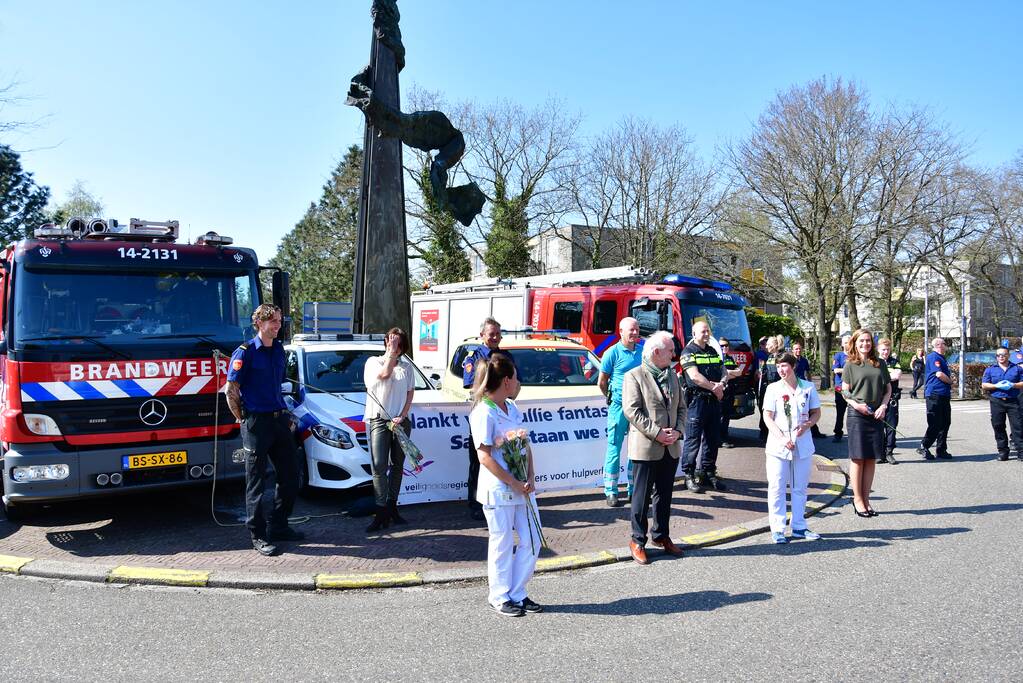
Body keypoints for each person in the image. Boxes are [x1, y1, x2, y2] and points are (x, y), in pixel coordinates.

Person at [225, 303, 303, 557]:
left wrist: (287, 415)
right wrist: (242, 419)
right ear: (259, 323)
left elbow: (278, 386)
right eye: (273, 322)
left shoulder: (279, 349)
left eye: (279, 321)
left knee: (291, 476)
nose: (277, 326)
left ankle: (279, 525)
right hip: (256, 422)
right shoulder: (244, 353)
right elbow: (231, 391)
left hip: (279, 420)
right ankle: (258, 535)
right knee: (256, 481)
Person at [469, 353, 542, 617]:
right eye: (515, 377)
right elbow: (484, 456)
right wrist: (512, 482)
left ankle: (518, 592)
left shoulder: (511, 408)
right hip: (499, 489)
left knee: (533, 538)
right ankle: (499, 596)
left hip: (522, 485)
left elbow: (524, 443)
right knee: (501, 542)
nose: (517, 382)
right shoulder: (483, 412)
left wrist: (530, 476)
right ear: (507, 380)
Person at [621, 331, 686, 565]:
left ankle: (661, 536)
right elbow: (632, 411)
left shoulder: (673, 376)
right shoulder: (634, 376)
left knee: (665, 495)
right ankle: (637, 540)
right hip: (647, 447)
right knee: (641, 496)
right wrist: (657, 433)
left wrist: (677, 431)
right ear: (656, 352)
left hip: (671, 447)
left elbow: (682, 408)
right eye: (670, 351)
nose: (674, 354)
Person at [762, 352, 823, 543]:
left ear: (793, 366)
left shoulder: (808, 387)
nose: (781, 370)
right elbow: (768, 417)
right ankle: (778, 528)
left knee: (800, 488)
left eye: (784, 365)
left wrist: (808, 425)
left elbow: (816, 413)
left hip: (802, 444)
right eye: (778, 366)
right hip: (778, 446)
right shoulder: (772, 389)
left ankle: (799, 526)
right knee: (777, 486)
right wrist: (781, 438)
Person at [461, 317, 516, 522]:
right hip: (484, 414)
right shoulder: (474, 356)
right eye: (491, 334)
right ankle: (475, 504)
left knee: (504, 457)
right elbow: (472, 386)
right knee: (479, 460)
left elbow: (515, 386)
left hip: (504, 415)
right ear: (482, 335)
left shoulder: (507, 357)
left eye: (497, 334)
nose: (494, 337)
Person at [362, 327, 416, 533]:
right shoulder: (373, 362)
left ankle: (393, 506)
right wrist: (391, 354)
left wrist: (402, 415)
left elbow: (410, 393)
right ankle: (380, 509)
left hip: (400, 422)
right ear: (386, 341)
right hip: (379, 419)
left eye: (400, 344)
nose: (396, 347)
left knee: (398, 465)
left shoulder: (407, 367)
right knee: (378, 465)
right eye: (393, 342)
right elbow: (384, 375)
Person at [680, 321, 736, 492]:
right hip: (697, 401)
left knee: (712, 440)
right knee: (693, 440)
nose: (706, 334)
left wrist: (721, 384)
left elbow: (724, 371)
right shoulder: (688, 352)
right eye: (703, 331)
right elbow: (695, 376)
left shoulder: (712, 351)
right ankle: (689, 475)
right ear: (694, 333)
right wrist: (715, 388)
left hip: (713, 401)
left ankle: (708, 473)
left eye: (708, 331)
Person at [842, 329, 891, 518]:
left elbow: (887, 390)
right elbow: (845, 392)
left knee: (871, 458)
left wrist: (884, 406)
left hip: (876, 415)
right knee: (858, 458)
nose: (865, 344)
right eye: (861, 341)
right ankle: (858, 499)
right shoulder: (850, 365)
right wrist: (858, 405)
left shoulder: (880, 363)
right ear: (855, 343)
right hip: (858, 414)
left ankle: (866, 500)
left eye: (868, 340)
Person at [597, 317, 642, 507]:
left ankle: (634, 490)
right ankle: (611, 491)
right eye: (631, 330)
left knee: (636, 450)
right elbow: (602, 381)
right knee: (614, 450)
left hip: (639, 408)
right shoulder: (611, 353)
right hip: (618, 407)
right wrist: (611, 396)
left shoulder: (642, 352)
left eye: (637, 329)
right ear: (621, 331)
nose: (634, 333)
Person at [980, 348, 1023, 461]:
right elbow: (984, 385)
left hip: (1013, 400)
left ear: (1008, 355)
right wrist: (996, 386)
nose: (1001, 357)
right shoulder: (990, 370)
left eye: (1003, 355)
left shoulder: (1017, 369)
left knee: (1018, 427)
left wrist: (1013, 385)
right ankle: (1003, 451)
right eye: (998, 355)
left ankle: (1021, 451)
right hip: (997, 401)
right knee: (998, 426)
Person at [917, 337, 953, 460]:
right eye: (944, 344)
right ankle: (924, 445)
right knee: (935, 423)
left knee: (945, 422)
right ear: (938, 345)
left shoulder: (942, 358)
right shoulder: (934, 357)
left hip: (943, 394)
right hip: (934, 394)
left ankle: (941, 449)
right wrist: (950, 381)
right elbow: (939, 374)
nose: (946, 346)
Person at [876, 339, 903, 465]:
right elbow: (874, 377)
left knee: (891, 426)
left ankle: (889, 452)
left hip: (892, 399)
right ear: (878, 350)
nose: (885, 352)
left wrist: (883, 376)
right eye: (883, 349)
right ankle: (880, 454)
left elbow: (897, 375)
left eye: (887, 349)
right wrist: (888, 375)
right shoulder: (874, 362)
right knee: (878, 427)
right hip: (877, 399)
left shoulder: (894, 362)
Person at [792, 340, 824, 439]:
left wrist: (811, 384)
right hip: (795, 386)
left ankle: (815, 431)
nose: (798, 350)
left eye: (799, 349)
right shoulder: (791, 361)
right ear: (793, 350)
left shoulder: (804, 360)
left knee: (810, 408)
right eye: (796, 349)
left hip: (804, 385)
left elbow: (808, 372)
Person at [757, 335, 784, 442]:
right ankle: (765, 431)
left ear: (775, 345)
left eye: (768, 344)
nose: (766, 346)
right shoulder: (770, 357)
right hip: (767, 388)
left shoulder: (781, 357)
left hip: (777, 389)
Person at [718, 337, 739, 448]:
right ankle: (719, 439)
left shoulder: (730, 358)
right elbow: (720, 374)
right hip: (721, 391)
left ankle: (724, 438)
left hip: (730, 391)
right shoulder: (717, 358)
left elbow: (739, 372)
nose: (725, 347)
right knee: (719, 416)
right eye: (722, 346)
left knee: (726, 416)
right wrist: (730, 374)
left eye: (726, 345)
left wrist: (728, 373)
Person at [831, 334, 852, 443]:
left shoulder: (855, 355)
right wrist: (850, 370)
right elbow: (836, 370)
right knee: (840, 412)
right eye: (845, 342)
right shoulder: (838, 356)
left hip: (854, 388)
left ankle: (853, 433)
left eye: (849, 342)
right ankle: (838, 433)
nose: (847, 344)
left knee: (853, 412)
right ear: (842, 344)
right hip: (840, 388)